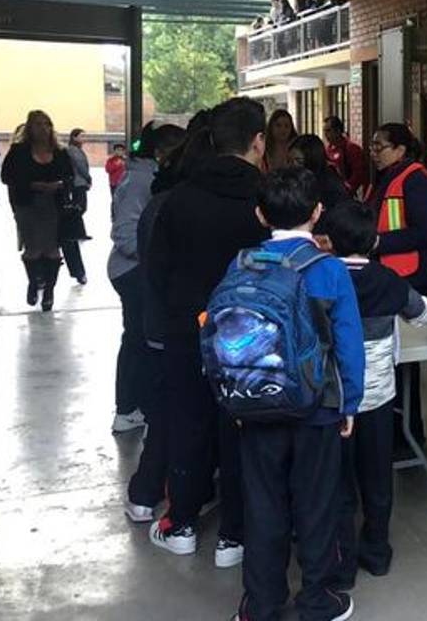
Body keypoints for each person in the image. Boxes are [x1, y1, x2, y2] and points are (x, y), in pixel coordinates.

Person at [231, 168, 364, 621]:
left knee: (263, 505)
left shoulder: (243, 262)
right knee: (317, 503)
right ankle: (316, 600)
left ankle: (261, 603)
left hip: (257, 403)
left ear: (260, 214)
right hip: (318, 407)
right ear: (318, 213)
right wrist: (351, 402)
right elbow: (348, 342)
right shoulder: (328, 269)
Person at [146, 97, 268, 567]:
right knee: (239, 429)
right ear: (258, 142)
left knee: (188, 424)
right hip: (250, 335)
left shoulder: (180, 198)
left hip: (187, 330)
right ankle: (234, 536)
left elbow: (157, 271)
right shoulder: (265, 200)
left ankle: (182, 525)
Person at [324, 200, 427, 587]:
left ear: (329, 241)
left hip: (333, 400)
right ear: (374, 242)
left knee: (336, 482)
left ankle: (341, 562)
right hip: (378, 397)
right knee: (376, 477)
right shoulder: (387, 280)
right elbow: (421, 313)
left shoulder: (320, 278)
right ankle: (377, 550)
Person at [127, 113, 214, 524]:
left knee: (176, 414)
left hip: (171, 325)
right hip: (178, 328)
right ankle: (157, 496)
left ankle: (164, 496)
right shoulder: (172, 207)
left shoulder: (164, 203)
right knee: (176, 416)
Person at [364, 122, 427, 455]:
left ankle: (408, 436)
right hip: (389, 275)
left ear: (400, 150)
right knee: (395, 360)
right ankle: (399, 433)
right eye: (373, 146)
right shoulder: (383, 180)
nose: (374, 152)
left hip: (412, 278)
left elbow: (424, 234)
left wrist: (379, 241)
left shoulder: (415, 180)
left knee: (406, 362)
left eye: (380, 146)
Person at [109, 123, 186, 438]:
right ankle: (128, 407)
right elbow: (124, 233)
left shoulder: (139, 176)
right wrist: (159, 255)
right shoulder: (142, 181)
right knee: (140, 340)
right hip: (134, 271)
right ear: (161, 153)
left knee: (137, 339)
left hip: (133, 268)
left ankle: (130, 406)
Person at [0, 110, 74, 312]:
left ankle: (49, 291)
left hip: (54, 205)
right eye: (38, 124)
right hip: (27, 205)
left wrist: (59, 185)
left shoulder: (60, 152)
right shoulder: (19, 152)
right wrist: (32, 185)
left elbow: (70, 177)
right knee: (33, 248)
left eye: (46, 124)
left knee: (52, 249)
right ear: (29, 128)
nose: (43, 128)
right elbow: (7, 176)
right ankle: (33, 283)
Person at [290, 134, 350, 223]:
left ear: (312, 159)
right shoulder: (297, 180)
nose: (292, 166)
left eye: (298, 161)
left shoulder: (330, 184)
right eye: (289, 160)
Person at [60, 127, 92, 285]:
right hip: (49, 204)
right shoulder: (71, 151)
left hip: (61, 199)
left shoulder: (64, 152)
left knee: (68, 241)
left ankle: (78, 272)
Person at [323, 116, 368, 197]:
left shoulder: (352, 149)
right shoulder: (327, 150)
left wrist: (347, 188)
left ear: (338, 131)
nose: (326, 134)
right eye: (324, 131)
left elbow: (359, 173)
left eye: (329, 131)